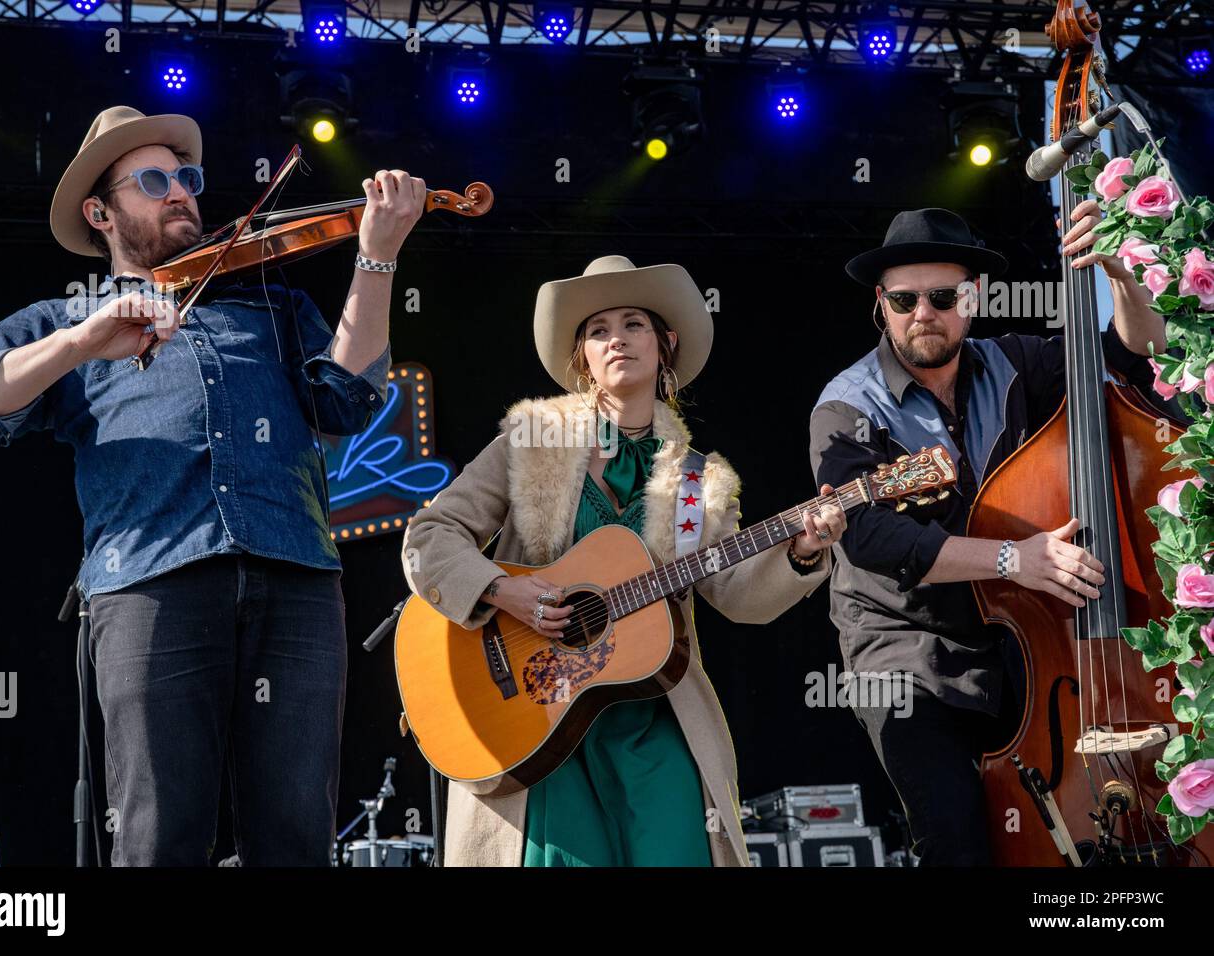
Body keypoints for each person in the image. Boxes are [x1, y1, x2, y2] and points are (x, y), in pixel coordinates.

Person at [0, 105, 425, 865]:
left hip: (296, 580)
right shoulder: (65, 320)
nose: (182, 192)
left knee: (296, 836)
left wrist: (376, 255)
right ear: (102, 211)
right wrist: (81, 343)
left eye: (187, 177)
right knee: (159, 834)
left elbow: (345, 401)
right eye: (153, 181)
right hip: (150, 585)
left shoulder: (273, 310)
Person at [402, 254, 847, 866]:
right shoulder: (530, 446)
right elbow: (430, 536)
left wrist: (800, 551)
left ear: (665, 344)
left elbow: (738, 596)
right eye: (598, 329)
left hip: (653, 717)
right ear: (581, 357)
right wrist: (503, 592)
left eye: (633, 323)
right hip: (538, 713)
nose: (616, 339)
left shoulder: (698, 483)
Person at [808, 204, 1170, 865]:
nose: (924, 312)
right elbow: (872, 541)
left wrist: (1121, 275)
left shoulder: (1015, 363)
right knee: (956, 839)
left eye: (943, 297)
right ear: (880, 306)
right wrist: (1013, 559)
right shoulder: (846, 407)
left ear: (971, 301)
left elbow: (1130, 355)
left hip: (1020, 642)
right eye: (904, 299)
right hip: (905, 651)